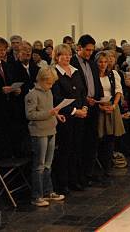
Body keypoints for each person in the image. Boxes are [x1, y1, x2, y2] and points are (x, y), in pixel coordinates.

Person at [25, 66, 66, 207]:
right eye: (49, 83)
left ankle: (48, 191)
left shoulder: (48, 92)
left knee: (48, 164)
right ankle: (37, 195)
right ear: (41, 80)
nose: (51, 86)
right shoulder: (32, 95)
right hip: (39, 132)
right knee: (39, 166)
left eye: (52, 83)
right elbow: (30, 115)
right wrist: (50, 113)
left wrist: (56, 115)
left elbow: (50, 110)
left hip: (51, 130)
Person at [51, 44, 88, 194]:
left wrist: (84, 107)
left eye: (68, 55)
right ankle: (63, 183)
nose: (66, 57)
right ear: (56, 57)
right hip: (65, 118)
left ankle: (75, 180)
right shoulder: (54, 73)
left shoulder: (76, 72)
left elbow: (83, 93)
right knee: (65, 150)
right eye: (63, 55)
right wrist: (74, 111)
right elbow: (56, 98)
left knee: (77, 148)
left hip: (80, 116)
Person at [70, 35, 104, 187]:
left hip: (93, 106)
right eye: (87, 50)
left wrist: (98, 98)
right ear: (79, 48)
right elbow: (75, 88)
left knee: (91, 141)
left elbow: (95, 83)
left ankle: (88, 173)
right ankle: (77, 177)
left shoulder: (92, 64)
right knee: (79, 143)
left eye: (92, 50)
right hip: (79, 107)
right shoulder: (72, 62)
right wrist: (85, 100)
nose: (90, 53)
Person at [95, 51, 126, 174]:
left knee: (110, 138)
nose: (103, 65)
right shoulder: (93, 75)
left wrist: (114, 105)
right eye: (100, 62)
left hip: (112, 106)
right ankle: (98, 166)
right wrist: (100, 106)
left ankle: (108, 165)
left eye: (105, 62)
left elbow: (118, 90)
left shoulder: (113, 74)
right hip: (99, 107)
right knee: (99, 137)